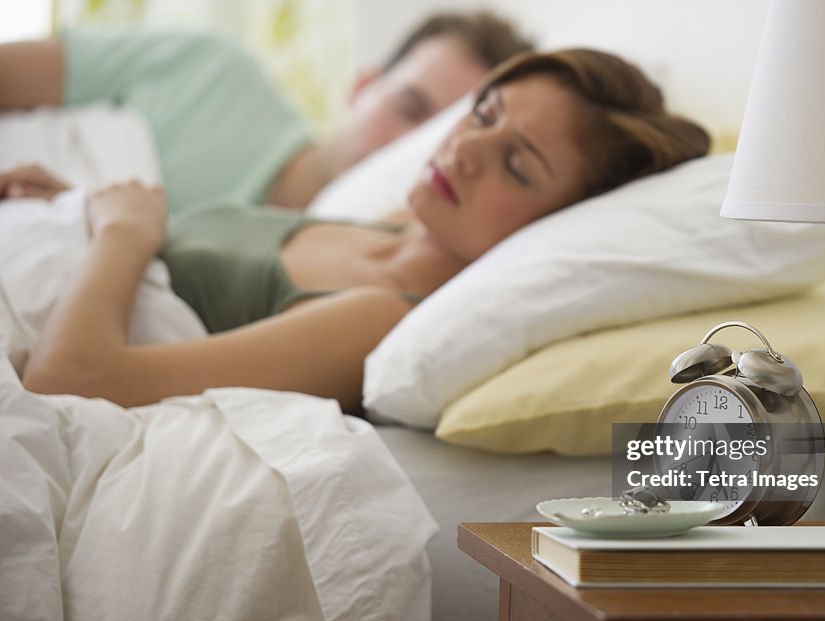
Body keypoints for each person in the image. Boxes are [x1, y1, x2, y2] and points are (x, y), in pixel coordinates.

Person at [6, 49, 711, 414]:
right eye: (487, 112)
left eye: (517, 167)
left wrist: (122, 235)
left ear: (556, 224)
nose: (465, 147)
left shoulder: (378, 317)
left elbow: (70, 381)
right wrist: (79, 207)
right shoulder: (388, 223)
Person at [0, 11, 534, 212]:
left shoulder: (324, 283)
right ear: (363, 86)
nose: (405, 149)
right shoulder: (209, 68)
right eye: (409, 108)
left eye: (432, 139)